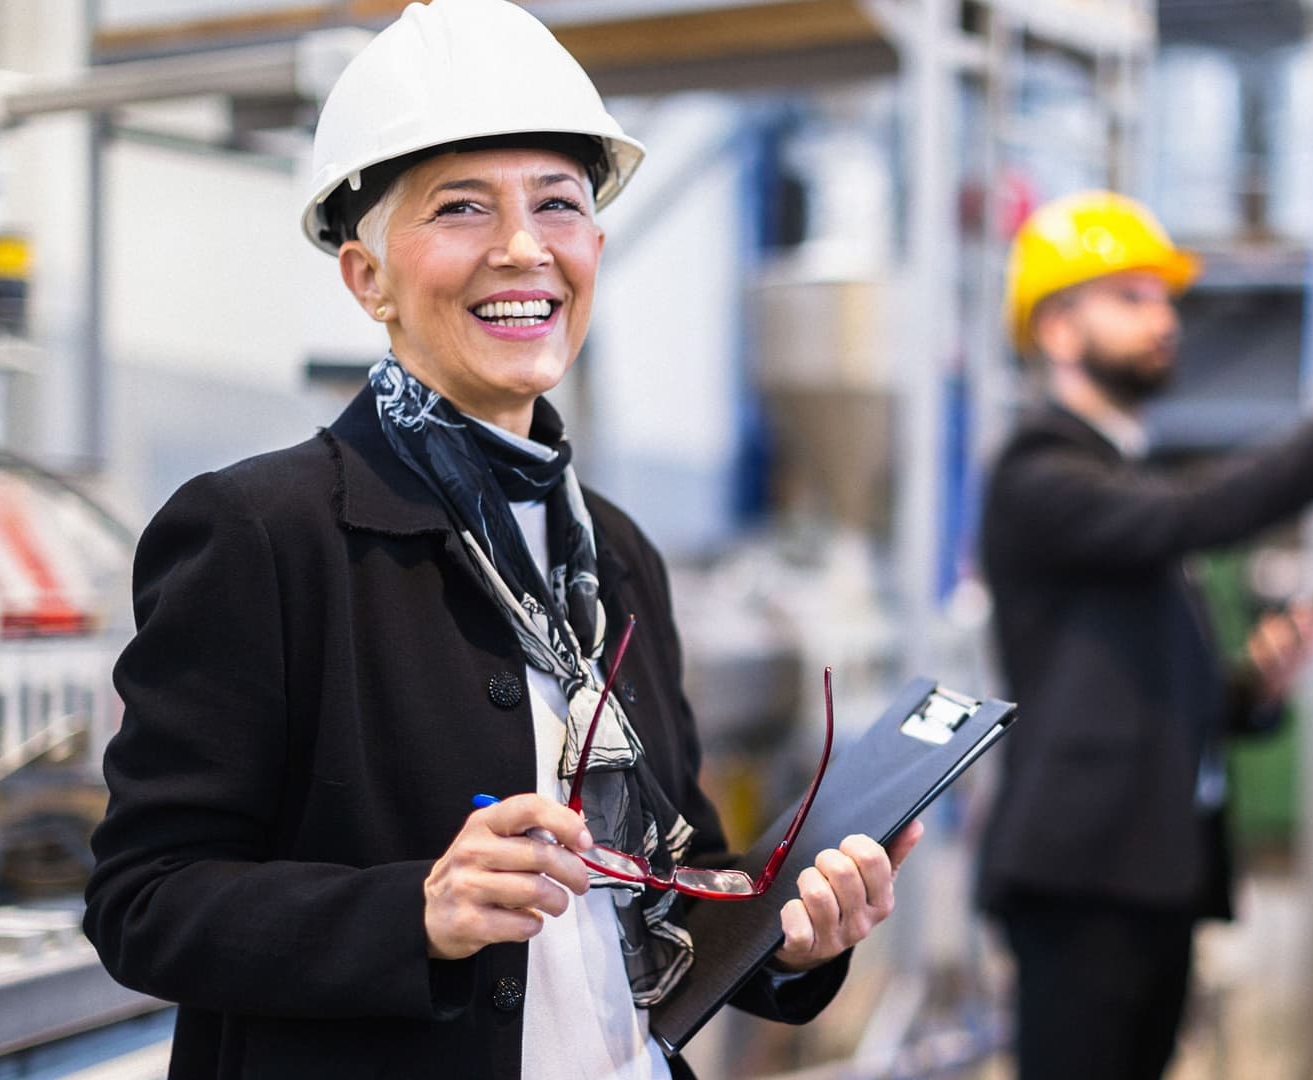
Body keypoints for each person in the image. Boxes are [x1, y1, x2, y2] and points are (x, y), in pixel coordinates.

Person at [82, 2, 918, 1077]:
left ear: (596, 251)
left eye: (557, 205)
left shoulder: (612, 553)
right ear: (366, 276)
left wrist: (792, 939)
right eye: (462, 208)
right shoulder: (262, 534)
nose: (523, 248)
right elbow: (143, 901)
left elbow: (677, 876)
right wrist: (414, 913)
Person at [974, 191, 1313, 1078]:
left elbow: (1128, 680)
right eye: (1133, 299)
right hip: (1082, 881)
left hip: (1150, 873)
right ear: (1059, 331)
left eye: (1164, 298)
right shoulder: (1038, 470)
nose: (1164, 318)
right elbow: (1202, 512)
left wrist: (1248, 688)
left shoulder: (1121, 475)